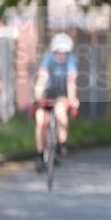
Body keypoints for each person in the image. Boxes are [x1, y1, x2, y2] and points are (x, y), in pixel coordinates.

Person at [33, 33, 80, 173]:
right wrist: (38, 93)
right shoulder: (48, 59)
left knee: (60, 114)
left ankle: (61, 144)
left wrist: (72, 98)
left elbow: (71, 81)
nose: (61, 55)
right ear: (54, 51)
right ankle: (40, 155)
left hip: (62, 93)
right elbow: (43, 76)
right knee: (41, 122)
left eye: (64, 52)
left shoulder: (72, 60)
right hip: (48, 93)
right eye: (59, 52)